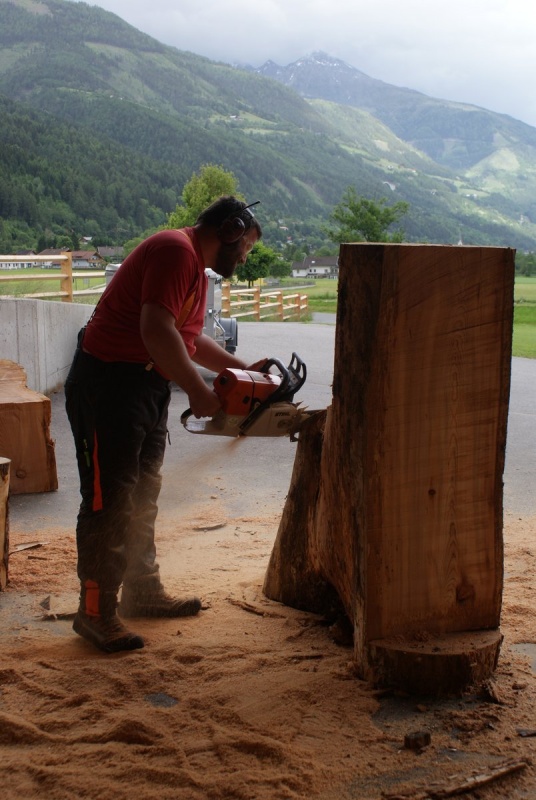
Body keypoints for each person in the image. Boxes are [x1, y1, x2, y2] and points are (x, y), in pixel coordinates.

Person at [65, 196, 264, 654]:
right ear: (230, 231)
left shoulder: (193, 265)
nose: (245, 258)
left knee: (142, 495)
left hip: (143, 385)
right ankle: (94, 612)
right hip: (109, 385)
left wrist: (246, 371)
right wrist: (196, 390)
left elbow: (187, 339)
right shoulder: (176, 251)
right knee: (109, 502)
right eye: (247, 247)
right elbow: (156, 329)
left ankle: (142, 591)